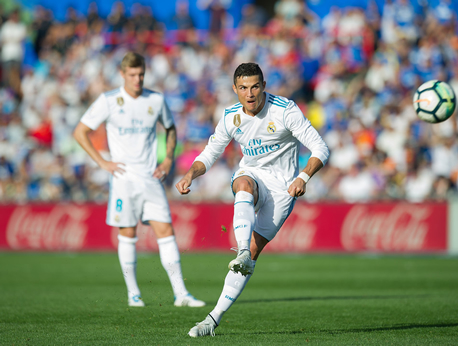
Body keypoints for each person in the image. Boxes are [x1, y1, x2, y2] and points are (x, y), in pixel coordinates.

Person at [175, 62, 330, 337]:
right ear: (235, 89)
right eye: (244, 88)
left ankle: (212, 319)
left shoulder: (285, 110)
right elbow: (210, 153)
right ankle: (242, 250)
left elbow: (320, 147)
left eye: (255, 86)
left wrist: (303, 178)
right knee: (243, 184)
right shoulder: (231, 117)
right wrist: (190, 175)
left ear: (264, 86)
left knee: (255, 255)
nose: (250, 93)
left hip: (283, 187)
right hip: (253, 173)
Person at [74, 52, 205, 308]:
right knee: (128, 232)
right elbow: (80, 132)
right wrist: (102, 162)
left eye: (141, 74)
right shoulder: (109, 100)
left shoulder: (155, 100)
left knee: (166, 231)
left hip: (150, 177)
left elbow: (170, 128)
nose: (137, 79)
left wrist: (167, 160)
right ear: (123, 74)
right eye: (132, 75)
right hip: (123, 179)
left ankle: (181, 294)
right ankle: (133, 294)